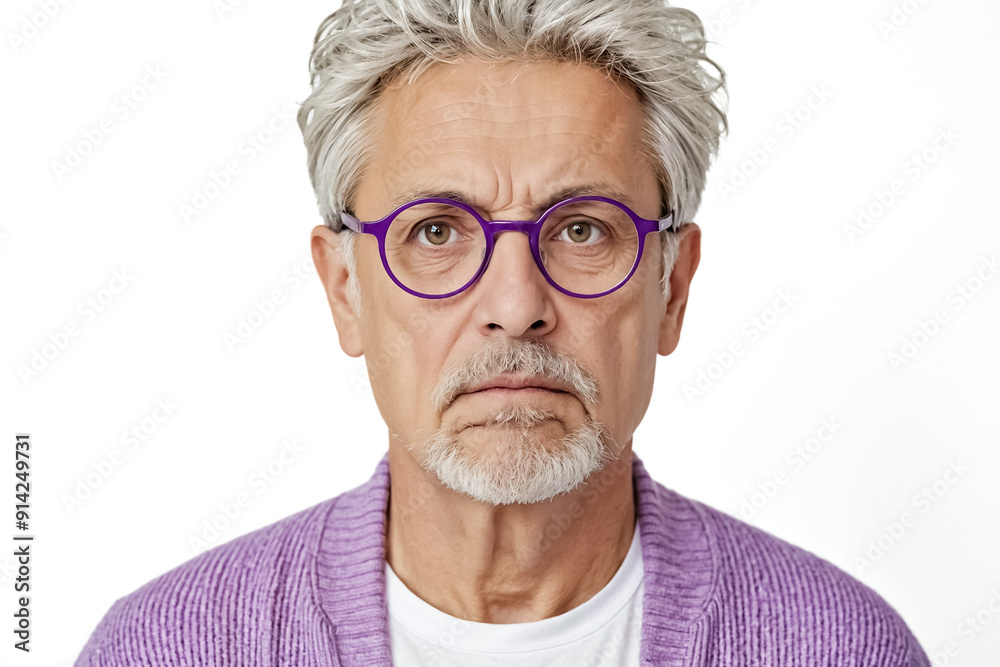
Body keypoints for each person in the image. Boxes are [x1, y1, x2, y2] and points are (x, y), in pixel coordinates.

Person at [75, 1, 931, 665]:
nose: (516, 304)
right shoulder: (166, 648)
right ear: (345, 289)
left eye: (585, 229)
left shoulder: (839, 647)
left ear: (673, 288)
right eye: (439, 232)